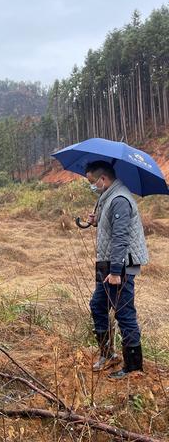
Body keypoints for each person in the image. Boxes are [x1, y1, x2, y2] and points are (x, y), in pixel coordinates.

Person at [85, 161, 148, 380]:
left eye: (93, 182)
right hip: (108, 263)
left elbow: (121, 238)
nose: (92, 186)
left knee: (124, 313)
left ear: (103, 179)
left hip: (118, 265)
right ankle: (108, 355)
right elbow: (112, 229)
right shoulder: (108, 197)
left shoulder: (119, 199)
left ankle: (133, 366)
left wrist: (115, 271)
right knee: (97, 305)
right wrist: (96, 222)